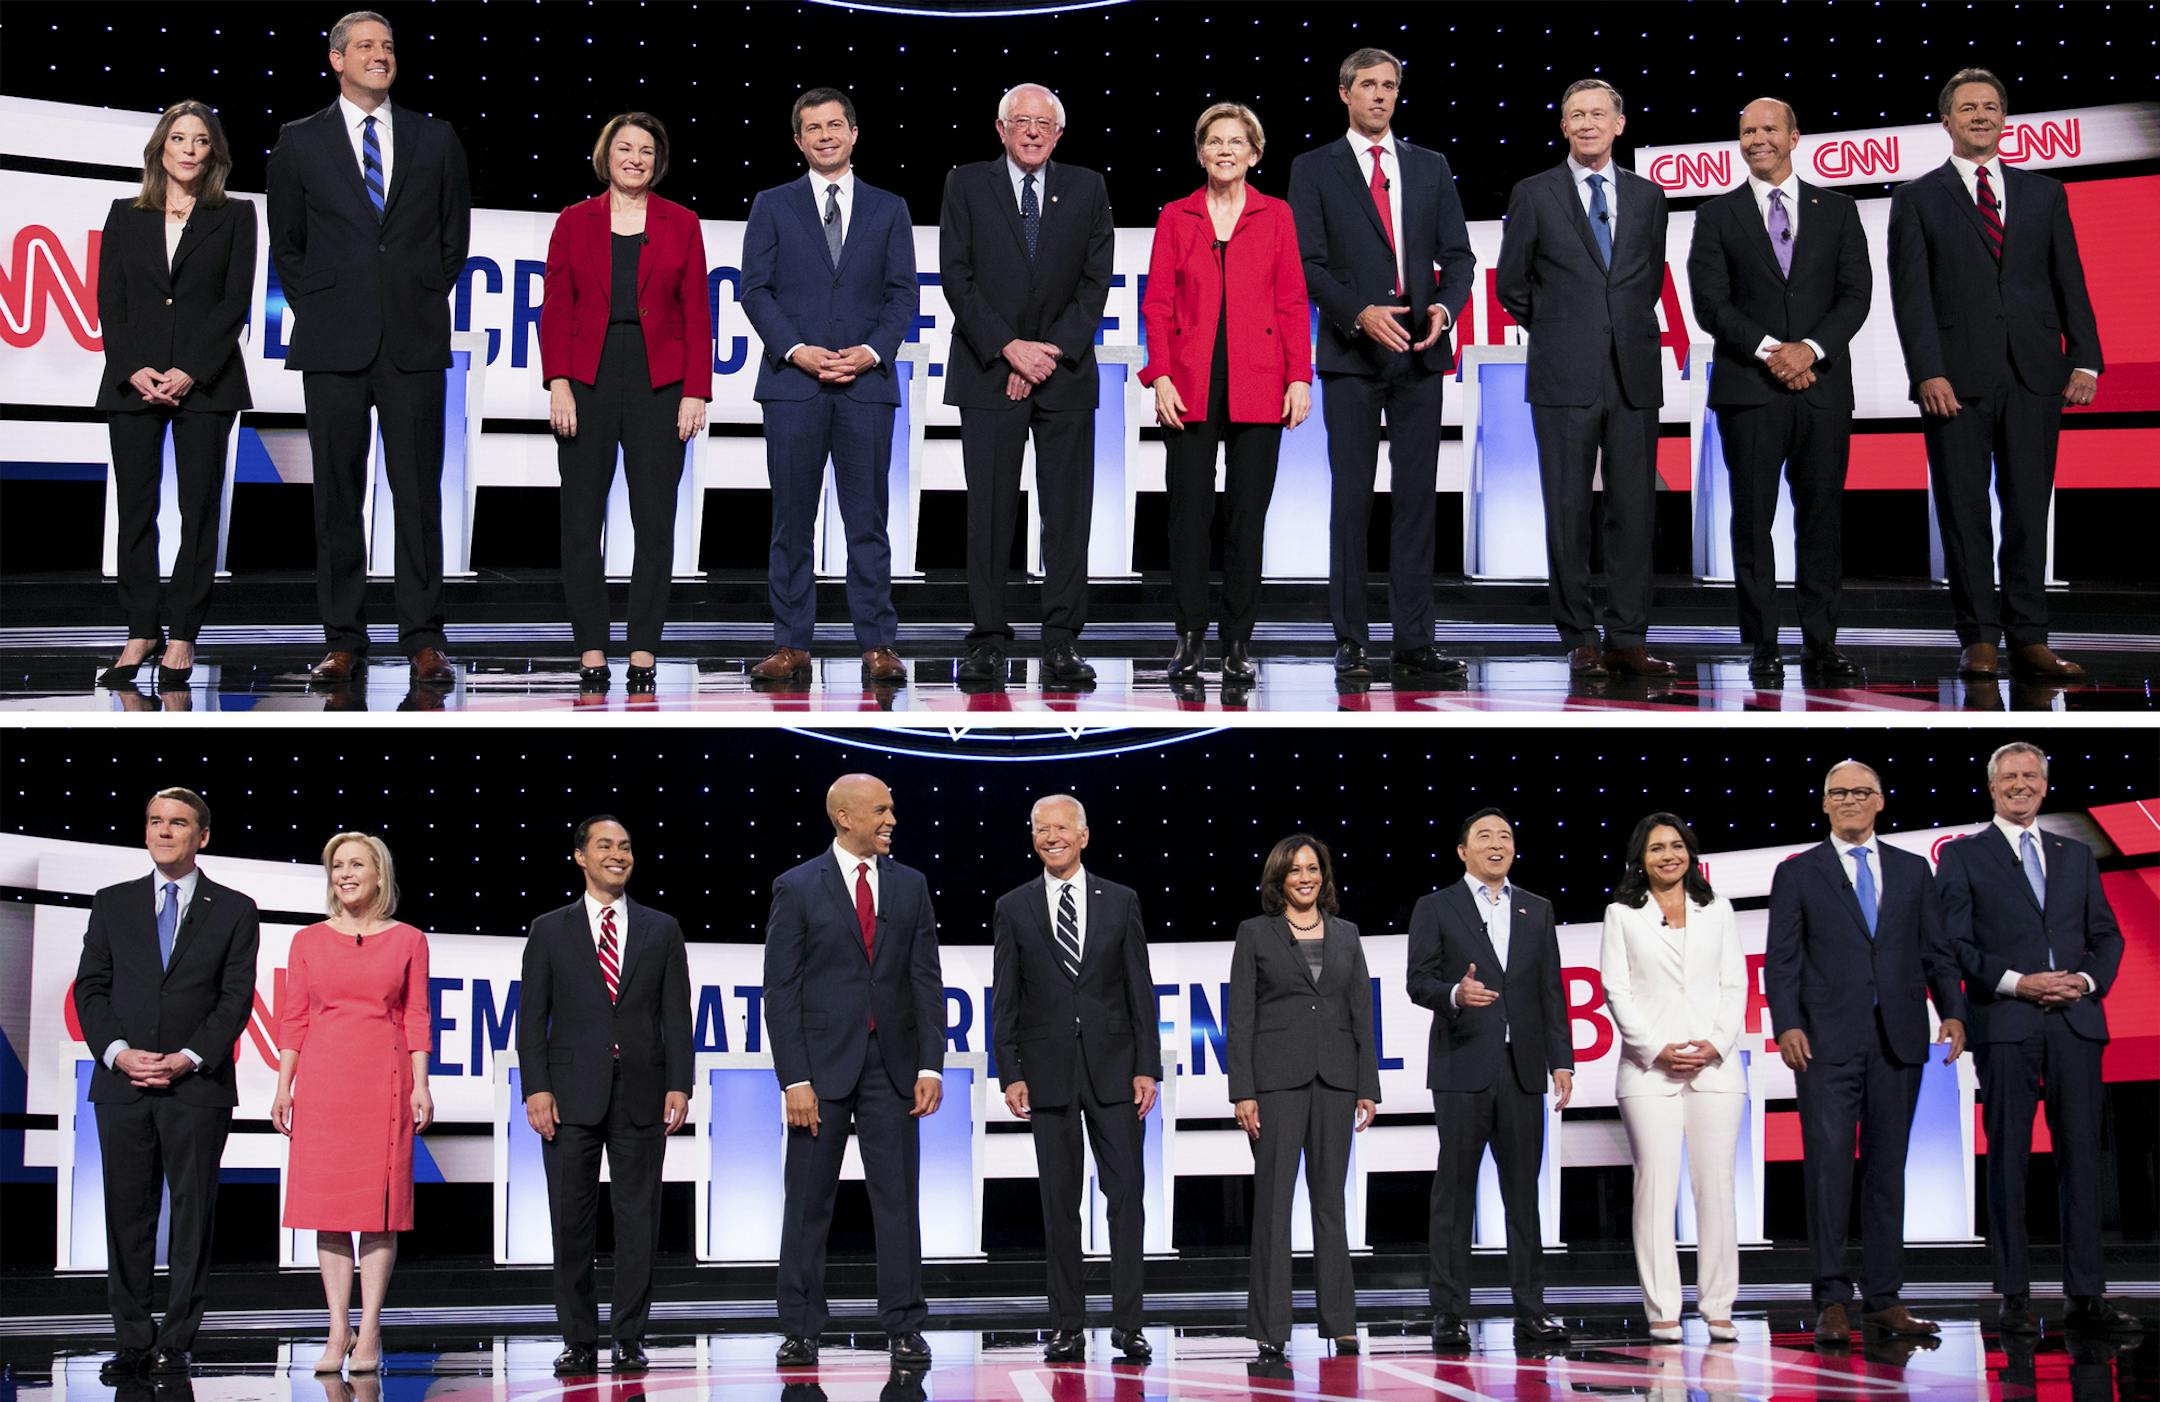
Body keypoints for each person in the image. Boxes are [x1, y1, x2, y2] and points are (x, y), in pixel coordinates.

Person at [267, 9, 472, 686]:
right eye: (365, 46)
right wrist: (328, 307)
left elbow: (452, 241)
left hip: (412, 339)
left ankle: (424, 637)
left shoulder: (435, 137)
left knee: (418, 496)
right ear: (336, 59)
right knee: (336, 496)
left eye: (387, 45)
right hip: (332, 342)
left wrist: (410, 296)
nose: (380, 55)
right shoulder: (298, 142)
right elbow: (289, 246)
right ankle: (343, 639)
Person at [1887, 69, 2101, 681]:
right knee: (1964, 511)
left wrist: (2084, 356)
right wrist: (1927, 370)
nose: (1979, 115)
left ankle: (2030, 637)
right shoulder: (1916, 196)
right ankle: (1979, 638)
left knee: (2029, 511)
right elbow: (1912, 296)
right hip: (1954, 379)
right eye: (1967, 108)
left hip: (2037, 373)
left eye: (1989, 107)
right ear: (1946, 121)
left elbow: (2070, 280)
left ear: (2004, 119)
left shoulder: (2045, 194)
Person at [1936, 743, 2141, 1337]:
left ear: (2045, 785)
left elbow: (2106, 936)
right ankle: (2015, 1296)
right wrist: (2018, 983)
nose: (2020, 785)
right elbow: (1956, 944)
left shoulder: (2074, 855)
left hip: (2076, 1022)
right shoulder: (1964, 857)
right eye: (2009, 777)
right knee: (2008, 1159)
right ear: (1992, 786)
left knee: (2081, 1159)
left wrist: (2081, 979)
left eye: (2030, 776)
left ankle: (2086, 1294)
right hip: (2006, 1022)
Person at [1763, 761, 1967, 1345]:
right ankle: (1830, 1297)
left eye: (1860, 792)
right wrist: (1787, 1025)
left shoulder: (1910, 870)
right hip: (1824, 1044)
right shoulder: (1799, 872)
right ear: (1824, 805)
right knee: (1828, 1170)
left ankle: (1884, 1298)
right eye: (1838, 793)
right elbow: (1783, 960)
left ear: (1880, 801)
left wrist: (1952, 1009)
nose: (1849, 800)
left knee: (1887, 1172)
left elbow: (1937, 951)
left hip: (1899, 1040)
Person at [1286, 49, 1472, 682]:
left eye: (1390, 86)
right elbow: (1307, 263)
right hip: (1353, 355)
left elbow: (1460, 257)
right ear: (1344, 93)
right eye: (1368, 85)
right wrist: (1357, 313)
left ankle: (1414, 642)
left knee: (1418, 500)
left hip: (1419, 352)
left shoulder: (1430, 166)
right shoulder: (1313, 169)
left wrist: (1444, 311)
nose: (1380, 96)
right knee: (1352, 499)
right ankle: (1352, 642)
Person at [73, 788, 260, 1380]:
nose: (163, 831)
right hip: (122, 1085)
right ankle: (131, 1339)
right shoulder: (111, 903)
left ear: (202, 836)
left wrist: (187, 1057)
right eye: (154, 821)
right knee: (127, 1215)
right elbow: (90, 990)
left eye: (177, 823)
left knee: (192, 1216)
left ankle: (177, 1338)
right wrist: (120, 1054)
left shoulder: (234, 908)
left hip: (196, 1088)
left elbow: (235, 1001)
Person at [1685, 98, 1872, 681]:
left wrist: (1809, 350)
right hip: (1751, 389)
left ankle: (1821, 644)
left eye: (1769, 129)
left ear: (1795, 135)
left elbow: (1855, 296)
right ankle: (1763, 644)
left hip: (1822, 389)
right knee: (1752, 520)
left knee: (1822, 520)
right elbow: (1710, 303)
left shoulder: (1838, 209)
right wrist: (1773, 350)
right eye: (1747, 131)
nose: (1757, 139)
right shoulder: (1717, 215)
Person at [763, 775, 946, 1368]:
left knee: (898, 1202)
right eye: (881, 810)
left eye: (892, 808)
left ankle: (902, 1324)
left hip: (892, 1070)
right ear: (844, 817)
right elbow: (781, 991)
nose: (892, 818)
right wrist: (794, 1078)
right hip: (819, 1073)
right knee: (808, 1203)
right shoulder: (797, 887)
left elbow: (925, 980)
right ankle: (801, 1326)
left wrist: (929, 1065)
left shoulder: (911, 885)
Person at [938, 83, 1115, 689]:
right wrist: (1010, 349)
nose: (1033, 131)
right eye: (1022, 121)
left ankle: (1061, 642)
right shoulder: (965, 183)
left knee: (1067, 514)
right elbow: (956, 277)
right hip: (989, 370)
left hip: (1063, 375)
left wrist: (1048, 352)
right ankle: (988, 640)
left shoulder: (1088, 187)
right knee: (988, 513)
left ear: (1059, 134)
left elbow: (1096, 282)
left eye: (1044, 123)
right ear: (1001, 128)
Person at [1495, 79, 1672, 679]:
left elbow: (1646, 283)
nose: (1589, 123)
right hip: (1563, 375)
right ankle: (1578, 636)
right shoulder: (1533, 193)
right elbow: (1511, 286)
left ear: (1620, 123)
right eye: (1577, 115)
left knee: (1633, 512)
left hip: (1633, 375)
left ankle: (1627, 635)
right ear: (1564, 127)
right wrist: (1563, 329)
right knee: (1568, 511)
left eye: (1599, 113)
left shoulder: (1649, 197)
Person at [741, 88, 918, 688]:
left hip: (865, 388)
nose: (824, 136)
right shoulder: (772, 204)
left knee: (867, 521)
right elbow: (755, 290)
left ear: (853, 132)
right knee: (792, 521)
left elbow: (902, 296)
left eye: (834, 125)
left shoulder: (889, 207)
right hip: (794, 384)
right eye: (812, 128)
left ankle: (878, 646)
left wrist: (869, 353)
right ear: (798, 140)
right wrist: (797, 350)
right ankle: (791, 645)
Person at [1139, 103, 1312, 686]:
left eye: (1236, 142)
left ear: (1254, 153)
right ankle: (1189, 639)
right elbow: (1157, 304)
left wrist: (1299, 377)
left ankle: (1238, 642)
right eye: (1214, 141)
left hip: (1261, 379)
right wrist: (1158, 374)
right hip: (1187, 382)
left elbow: (1292, 301)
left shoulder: (1277, 215)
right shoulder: (1175, 215)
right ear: (1201, 151)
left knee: (1246, 516)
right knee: (1188, 515)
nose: (1225, 151)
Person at [540, 114, 711, 692]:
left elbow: (696, 313)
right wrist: (558, 382)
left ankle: (642, 652)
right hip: (586, 380)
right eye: (624, 148)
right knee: (580, 522)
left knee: (655, 522)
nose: (634, 158)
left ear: (657, 160)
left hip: (659, 382)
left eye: (645, 150)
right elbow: (556, 308)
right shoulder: (573, 221)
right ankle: (590, 650)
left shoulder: (682, 222)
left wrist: (695, 391)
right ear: (606, 155)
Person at [517, 816, 694, 1374]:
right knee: (570, 1220)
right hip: (569, 1095)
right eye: (605, 846)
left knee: (639, 1219)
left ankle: (629, 1337)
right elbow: (531, 1019)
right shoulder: (549, 929)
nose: (618, 854)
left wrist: (679, 1084)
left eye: (625, 845)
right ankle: (577, 1338)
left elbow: (676, 1016)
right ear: (579, 857)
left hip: (642, 1091)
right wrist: (537, 1087)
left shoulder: (661, 928)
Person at [991, 795, 1161, 1362]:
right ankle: (1067, 1323)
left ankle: (1129, 1323)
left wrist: (1147, 1066)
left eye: (1062, 827)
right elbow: (1006, 999)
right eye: (1042, 829)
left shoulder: (1121, 900)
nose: (1052, 836)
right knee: (1059, 1203)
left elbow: (1140, 989)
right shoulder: (1013, 907)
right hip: (1046, 1075)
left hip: (1116, 1072)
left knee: (1126, 1198)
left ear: (1084, 835)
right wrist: (1010, 1070)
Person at [95, 102, 255, 690]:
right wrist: (131, 365)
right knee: (136, 510)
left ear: (214, 153)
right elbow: (110, 299)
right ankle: (141, 629)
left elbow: (234, 301)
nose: (189, 149)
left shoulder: (235, 216)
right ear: (160, 147)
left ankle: (183, 632)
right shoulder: (125, 214)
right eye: (179, 138)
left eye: (201, 141)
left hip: (206, 384)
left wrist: (191, 368)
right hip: (132, 380)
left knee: (198, 511)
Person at [1406, 808, 1572, 1347]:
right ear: (1463, 850)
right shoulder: (1436, 906)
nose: (1497, 844)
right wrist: (1455, 994)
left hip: (1523, 1070)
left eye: (1505, 835)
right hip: (1462, 1065)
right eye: (1484, 836)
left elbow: (1551, 991)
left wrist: (1561, 1060)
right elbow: (1419, 981)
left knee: (1523, 1195)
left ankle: (1533, 1309)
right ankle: (1449, 1313)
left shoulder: (1536, 909)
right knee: (1452, 1195)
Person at [271, 833, 433, 1375]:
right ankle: (338, 1328)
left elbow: (416, 1018)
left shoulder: (408, 939)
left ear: (378, 874)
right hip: (323, 1082)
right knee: (329, 1212)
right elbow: (293, 1018)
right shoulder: (307, 941)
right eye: (336, 865)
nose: (344, 873)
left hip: (382, 1081)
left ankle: (370, 1330)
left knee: (378, 1212)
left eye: (356, 864)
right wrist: (282, 1085)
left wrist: (421, 1084)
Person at [1226, 835, 1380, 1359]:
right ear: (1279, 879)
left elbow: (1362, 1012)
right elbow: (1240, 1018)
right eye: (1295, 871)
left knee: (1330, 1203)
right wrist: (1243, 1091)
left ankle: (1340, 1322)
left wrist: (1368, 1086)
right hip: (1274, 1085)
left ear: (1324, 875)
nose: (1305, 877)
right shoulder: (1254, 933)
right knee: (1273, 1206)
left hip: (1336, 1082)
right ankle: (1270, 1325)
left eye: (1313, 868)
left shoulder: (1347, 934)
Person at [1598, 813, 1748, 1342]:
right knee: (1655, 1186)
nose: (1668, 855)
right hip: (1649, 1069)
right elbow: (1616, 990)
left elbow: (1736, 984)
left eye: (1677, 845)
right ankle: (1663, 1307)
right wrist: (1655, 1048)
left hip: (1715, 1065)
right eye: (1657, 848)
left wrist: (1715, 1042)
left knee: (1716, 1187)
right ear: (1641, 858)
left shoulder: (1719, 910)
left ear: (1691, 853)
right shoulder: (1622, 914)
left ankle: (1719, 1305)